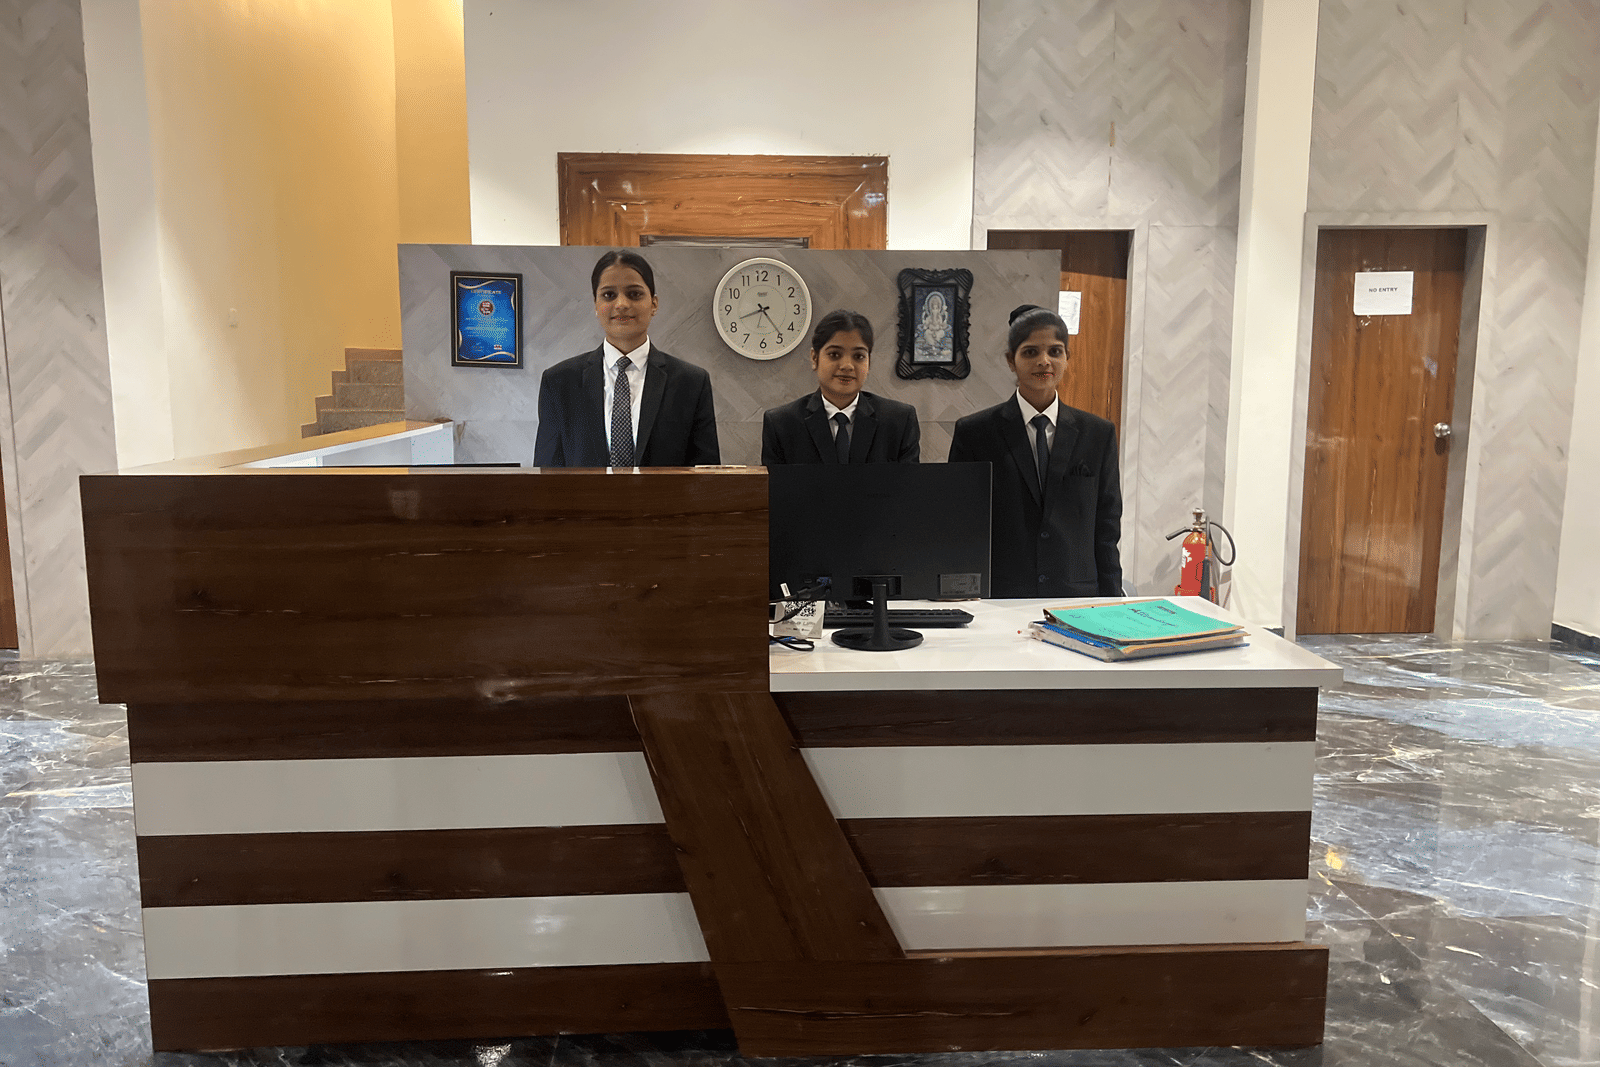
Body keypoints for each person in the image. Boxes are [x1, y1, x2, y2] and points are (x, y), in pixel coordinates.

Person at [947, 304, 1122, 598]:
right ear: (1010, 361)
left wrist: (1112, 598)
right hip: (1000, 596)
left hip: (1076, 596)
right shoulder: (975, 433)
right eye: (1030, 352)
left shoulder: (1098, 434)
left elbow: (1107, 526)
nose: (1044, 361)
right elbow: (960, 522)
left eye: (1055, 351)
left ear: (1068, 358)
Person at [534, 250, 719, 467]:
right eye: (609, 295)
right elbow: (547, 476)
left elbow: (707, 476)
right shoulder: (559, 382)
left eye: (634, 294)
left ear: (654, 304)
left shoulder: (691, 383)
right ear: (595, 305)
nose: (621, 304)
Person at [760, 309, 920, 465]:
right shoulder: (781, 424)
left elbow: (909, 489)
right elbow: (773, 490)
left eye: (858, 356)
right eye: (834, 354)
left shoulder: (899, 421)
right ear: (814, 358)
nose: (847, 366)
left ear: (869, 362)